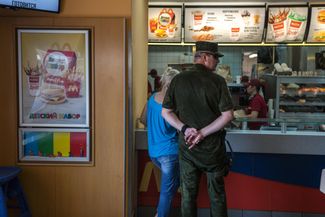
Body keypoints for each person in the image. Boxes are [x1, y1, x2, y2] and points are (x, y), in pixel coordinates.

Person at [161, 41, 234, 217]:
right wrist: (202, 133)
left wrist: (185, 129)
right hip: (213, 150)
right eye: (216, 58)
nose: (217, 62)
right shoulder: (218, 81)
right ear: (205, 57)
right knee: (216, 196)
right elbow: (228, 115)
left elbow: (166, 112)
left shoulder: (178, 79)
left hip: (187, 148)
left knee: (188, 196)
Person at [140, 67, 180, 217]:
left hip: (154, 153)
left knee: (173, 184)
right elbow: (178, 126)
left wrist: (156, 126)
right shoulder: (172, 104)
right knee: (166, 192)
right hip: (170, 153)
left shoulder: (152, 98)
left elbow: (143, 119)